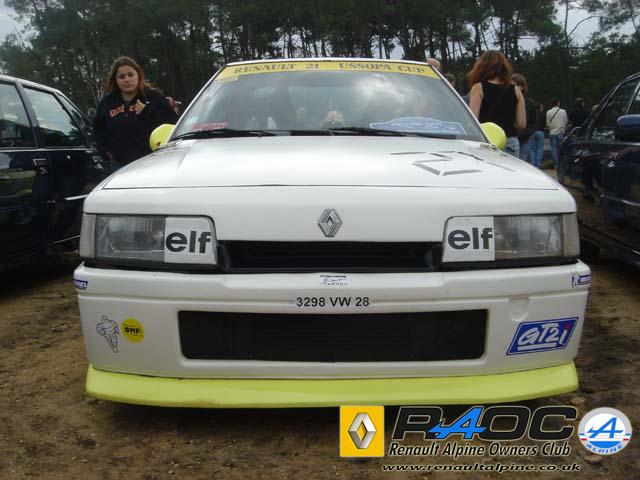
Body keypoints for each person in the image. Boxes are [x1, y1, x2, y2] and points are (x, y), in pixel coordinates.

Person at [93, 56, 179, 171]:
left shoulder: (153, 96)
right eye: (121, 77)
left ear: (138, 75)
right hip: (119, 166)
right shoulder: (107, 103)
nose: (127, 80)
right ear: (115, 80)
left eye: (130, 75)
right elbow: (98, 130)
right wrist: (105, 153)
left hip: (154, 163)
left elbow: (173, 123)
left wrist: (147, 111)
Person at [467, 51, 526, 157]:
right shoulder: (516, 90)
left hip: (486, 141)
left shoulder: (478, 88)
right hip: (510, 141)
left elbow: (473, 120)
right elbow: (521, 124)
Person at [512, 74, 537, 163]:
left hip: (524, 139)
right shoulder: (506, 101)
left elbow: (534, 122)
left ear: (522, 87)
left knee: (521, 162)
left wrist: (526, 133)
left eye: (515, 85)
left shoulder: (530, 103)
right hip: (510, 137)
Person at [546, 99, 568, 168]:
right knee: (561, 149)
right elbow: (566, 121)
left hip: (552, 133)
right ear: (558, 103)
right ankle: (561, 164)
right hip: (560, 132)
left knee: (553, 149)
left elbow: (547, 124)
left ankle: (557, 164)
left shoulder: (548, 112)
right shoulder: (563, 111)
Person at [530, 103, 546, 168]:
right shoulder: (543, 114)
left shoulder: (532, 113)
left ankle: (532, 165)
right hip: (541, 132)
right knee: (539, 149)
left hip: (532, 132)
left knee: (532, 149)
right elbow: (545, 124)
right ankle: (538, 165)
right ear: (540, 107)